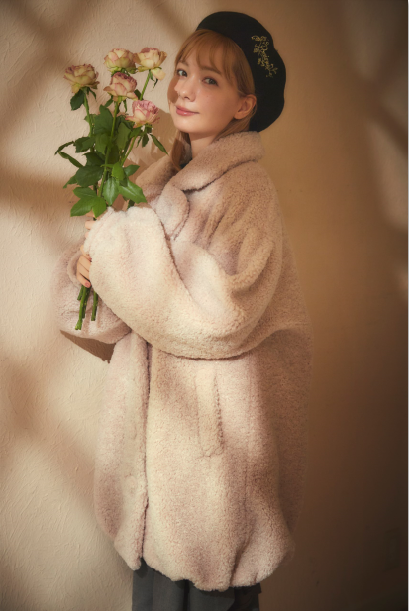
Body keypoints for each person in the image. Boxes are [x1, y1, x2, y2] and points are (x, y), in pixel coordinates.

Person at [51, 11, 314, 611]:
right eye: (182, 70)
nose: (184, 88)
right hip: (154, 457)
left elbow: (220, 317)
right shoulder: (154, 180)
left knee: (210, 596)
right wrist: (87, 270)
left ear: (245, 105)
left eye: (210, 79)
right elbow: (118, 314)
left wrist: (121, 246)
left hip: (212, 461)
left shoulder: (247, 192)